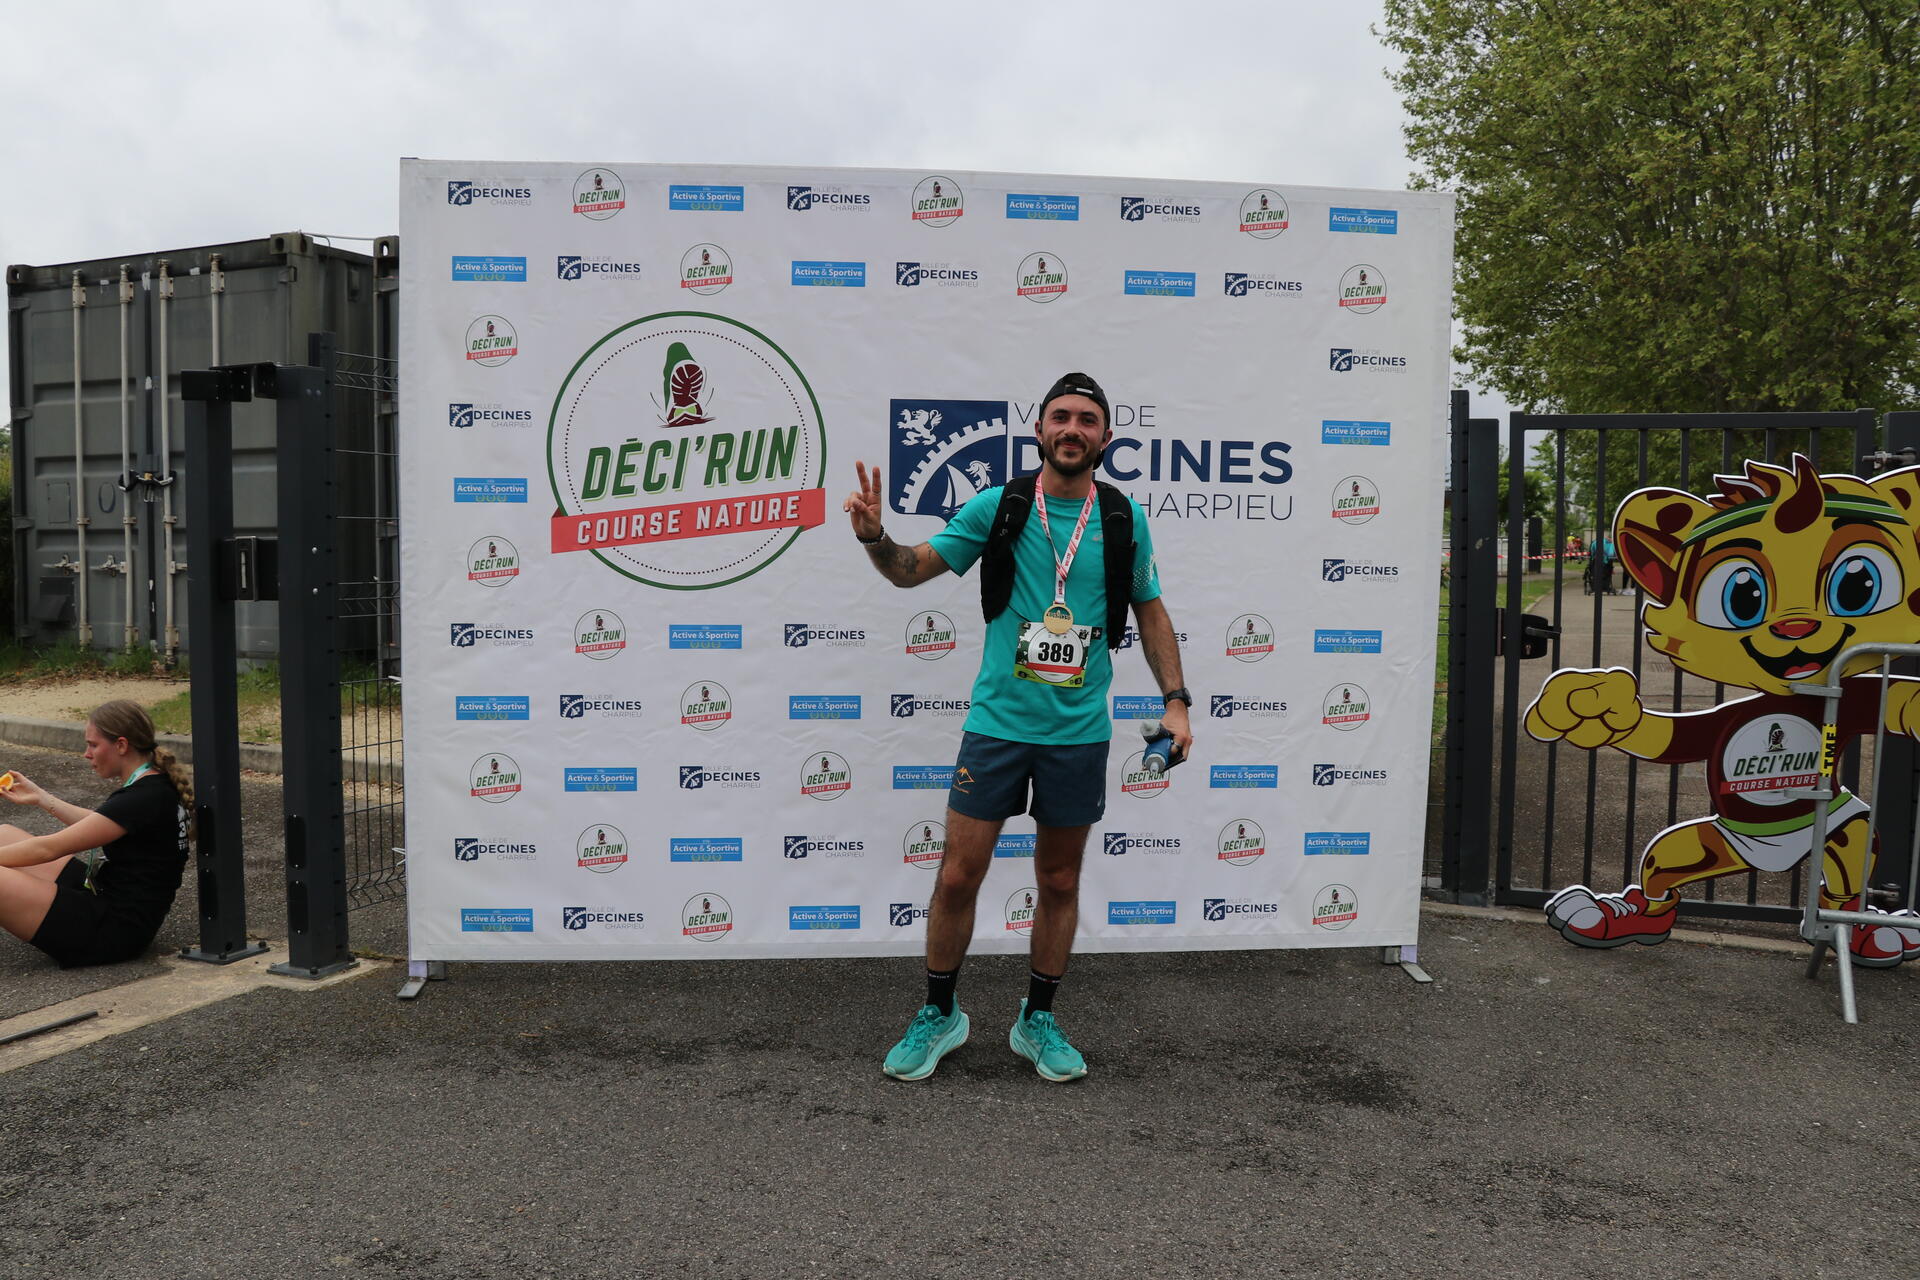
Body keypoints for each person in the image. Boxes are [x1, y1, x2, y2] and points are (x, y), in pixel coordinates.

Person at [845, 371, 1193, 1083]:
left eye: (1087, 420)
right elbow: (911, 570)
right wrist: (877, 537)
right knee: (957, 875)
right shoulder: (999, 506)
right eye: (1060, 417)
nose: (1072, 429)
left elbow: (1151, 610)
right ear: (1039, 430)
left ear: (1105, 437)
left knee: (1059, 879)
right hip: (997, 726)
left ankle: (1037, 1019)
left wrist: (1177, 701)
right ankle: (940, 1012)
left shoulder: (1123, 519)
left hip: (1078, 733)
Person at [0, 700, 193, 968]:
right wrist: (41, 798)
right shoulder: (153, 785)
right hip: (104, 895)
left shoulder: (143, 797)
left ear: (121, 745)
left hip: (112, 931)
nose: (86, 754)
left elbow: (48, 849)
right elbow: (101, 823)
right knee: (5, 834)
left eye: (92, 745)